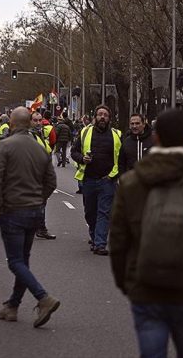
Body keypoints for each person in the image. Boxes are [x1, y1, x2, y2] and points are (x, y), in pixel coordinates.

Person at [110, 108, 183, 358]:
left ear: (156, 137)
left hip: (146, 289)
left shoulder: (131, 183)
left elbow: (119, 241)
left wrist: (126, 282)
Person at [0, 106, 60, 328]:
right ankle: (12, 306)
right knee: (24, 259)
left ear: (11, 123)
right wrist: (40, 200)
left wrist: (0, 205)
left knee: (16, 261)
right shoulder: (40, 149)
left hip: (13, 210)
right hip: (34, 211)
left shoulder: (6, 146)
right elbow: (51, 182)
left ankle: (43, 298)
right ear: (29, 123)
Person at [70, 104, 123, 256]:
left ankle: (100, 244)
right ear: (95, 117)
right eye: (100, 114)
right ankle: (94, 237)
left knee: (104, 212)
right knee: (90, 212)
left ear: (109, 119)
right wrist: (82, 159)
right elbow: (74, 152)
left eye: (105, 115)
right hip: (88, 180)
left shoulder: (117, 135)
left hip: (107, 180)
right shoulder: (85, 132)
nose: (102, 117)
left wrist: (114, 175)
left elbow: (121, 158)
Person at [31, 112, 56, 240]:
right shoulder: (28, 135)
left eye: (40, 120)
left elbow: (49, 146)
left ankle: (39, 227)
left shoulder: (39, 134)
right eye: (35, 120)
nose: (38, 123)